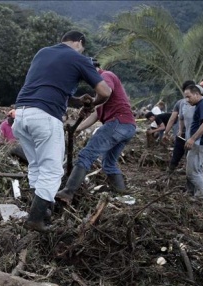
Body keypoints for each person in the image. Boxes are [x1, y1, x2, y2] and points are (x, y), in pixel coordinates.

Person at [12, 31, 112, 232]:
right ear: (80, 42)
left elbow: (49, 87)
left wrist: (76, 100)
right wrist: (93, 103)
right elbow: (105, 92)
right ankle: (36, 219)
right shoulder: (78, 57)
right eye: (83, 47)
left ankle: (41, 209)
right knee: (53, 170)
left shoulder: (43, 53)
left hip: (21, 114)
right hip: (45, 117)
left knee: (37, 165)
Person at [56, 58, 135, 204]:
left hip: (118, 122)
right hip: (128, 126)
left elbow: (107, 93)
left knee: (86, 155)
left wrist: (91, 102)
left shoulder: (106, 76)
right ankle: (122, 194)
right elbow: (95, 114)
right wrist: (78, 128)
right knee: (109, 163)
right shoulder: (101, 88)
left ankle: (67, 192)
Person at [183, 85, 203, 200]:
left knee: (192, 172)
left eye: (189, 97)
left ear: (197, 94)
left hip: (200, 144)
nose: (187, 100)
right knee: (198, 170)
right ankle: (200, 195)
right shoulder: (202, 104)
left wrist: (192, 138)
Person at [163, 80, 196, 173]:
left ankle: (169, 173)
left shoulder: (180, 102)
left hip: (183, 134)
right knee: (190, 157)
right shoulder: (201, 102)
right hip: (194, 135)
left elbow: (172, 119)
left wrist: (166, 132)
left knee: (176, 155)